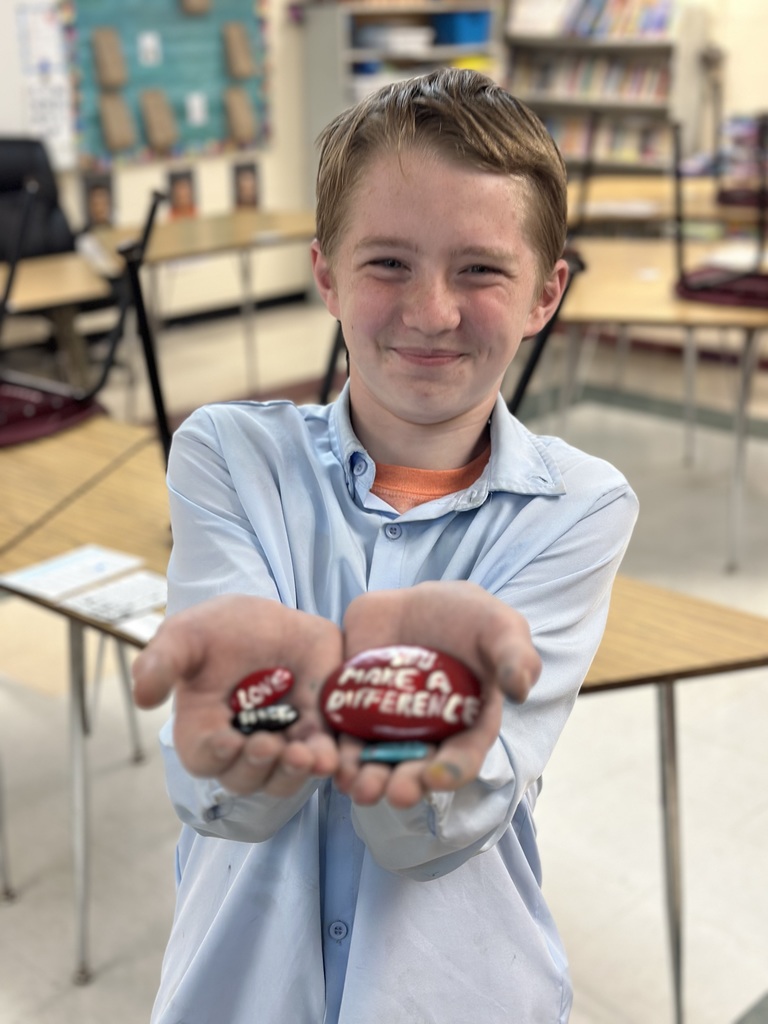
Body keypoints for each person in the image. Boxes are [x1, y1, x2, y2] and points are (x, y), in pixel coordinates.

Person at [132, 68, 638, 1023]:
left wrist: (300, 704)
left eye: (482, 269)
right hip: (236, 993)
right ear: (326, 273)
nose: (432, 311)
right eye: (388, 263)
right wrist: (376, 706)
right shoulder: (228, 456)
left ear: (545, 293)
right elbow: (226, 793)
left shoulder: (579, 506)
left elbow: (435, 830)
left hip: (457, 991)